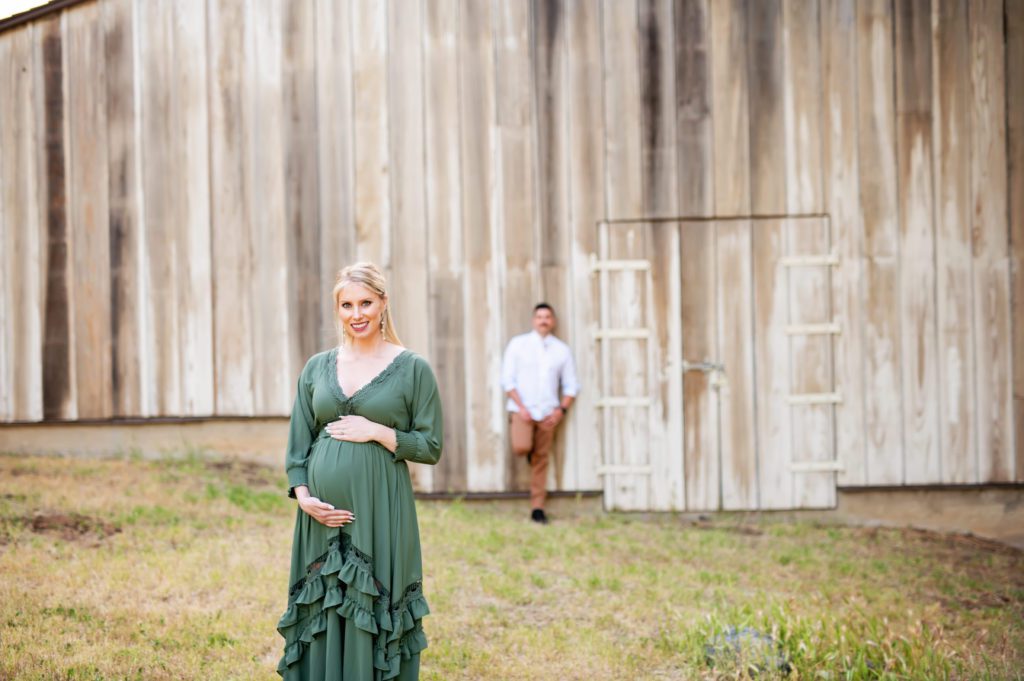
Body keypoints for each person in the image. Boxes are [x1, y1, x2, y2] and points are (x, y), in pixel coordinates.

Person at [276, 262, 443, 680]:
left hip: (380, 513)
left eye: (366, 302)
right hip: (320, 518)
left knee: (375, 605)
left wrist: (379, 432)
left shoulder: (412, 368)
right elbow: (299, 444)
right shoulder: (317, 367)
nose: (357, 313)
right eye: (347, 305)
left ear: (383, 303)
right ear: (338, 310)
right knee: (325, 606)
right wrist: (303, 498)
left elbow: (430, 446)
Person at [501, 303, 579, 524]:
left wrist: (561, 410)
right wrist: (522, 407)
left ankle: (537, 507)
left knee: (541, 460)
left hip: (548, 414)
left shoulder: (561, 350)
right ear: (533, 320)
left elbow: (571, 385)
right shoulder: (518, 345)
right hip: (522, 411)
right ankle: (528, 447)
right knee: (522, 447)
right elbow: (507, 380)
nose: (543, 320)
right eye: (539, 316)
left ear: (552, 321)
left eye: (547, 317)